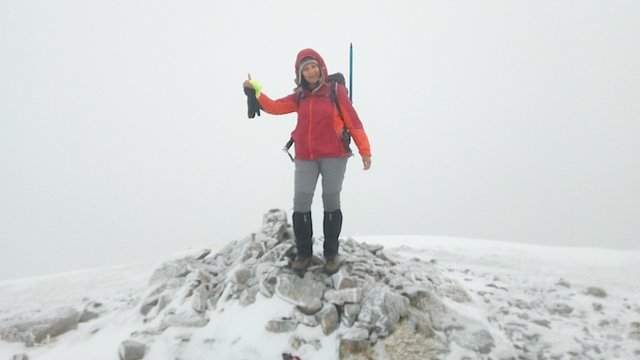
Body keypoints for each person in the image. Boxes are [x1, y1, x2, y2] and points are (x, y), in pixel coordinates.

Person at [243, 48, 371, 274]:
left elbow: (353, 121)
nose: (311, 72)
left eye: (313, 67)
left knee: (331, 202)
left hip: (334, 154)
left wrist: (365, 150)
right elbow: (274, 106)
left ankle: (331, 254)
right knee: (301, 203)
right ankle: (304, 253)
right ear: (300, 73)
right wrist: (256, 91)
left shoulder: (335, 91)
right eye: (306, 69)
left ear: (321, 68)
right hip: (305, 156)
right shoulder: (299, 96)